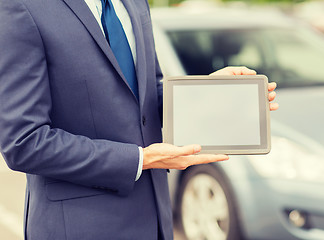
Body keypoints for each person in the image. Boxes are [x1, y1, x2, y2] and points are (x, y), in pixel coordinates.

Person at [0, 0, 278, 239]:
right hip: (81, 226)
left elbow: (147, 91)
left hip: (155, 220)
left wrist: (206, 93)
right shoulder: (21, 7)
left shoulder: (134, 3)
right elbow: (24, 142)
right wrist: (140, 159)